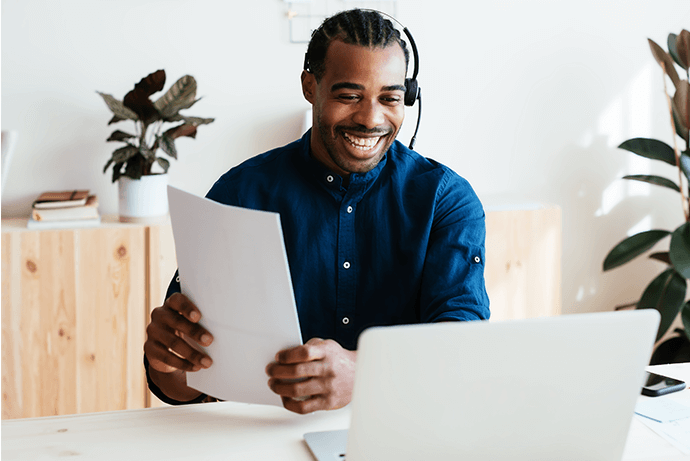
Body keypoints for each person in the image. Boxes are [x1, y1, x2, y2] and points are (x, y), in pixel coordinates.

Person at [143, 8, 490, 415]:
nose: (371, 119)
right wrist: (167, 363)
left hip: (405, 429)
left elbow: (463, 350)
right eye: (349, 96)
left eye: (390, 98)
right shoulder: (240, 192)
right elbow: (185, 384)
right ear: (311, 86)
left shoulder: (446, 202)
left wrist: (365, 372)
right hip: (261, 437)